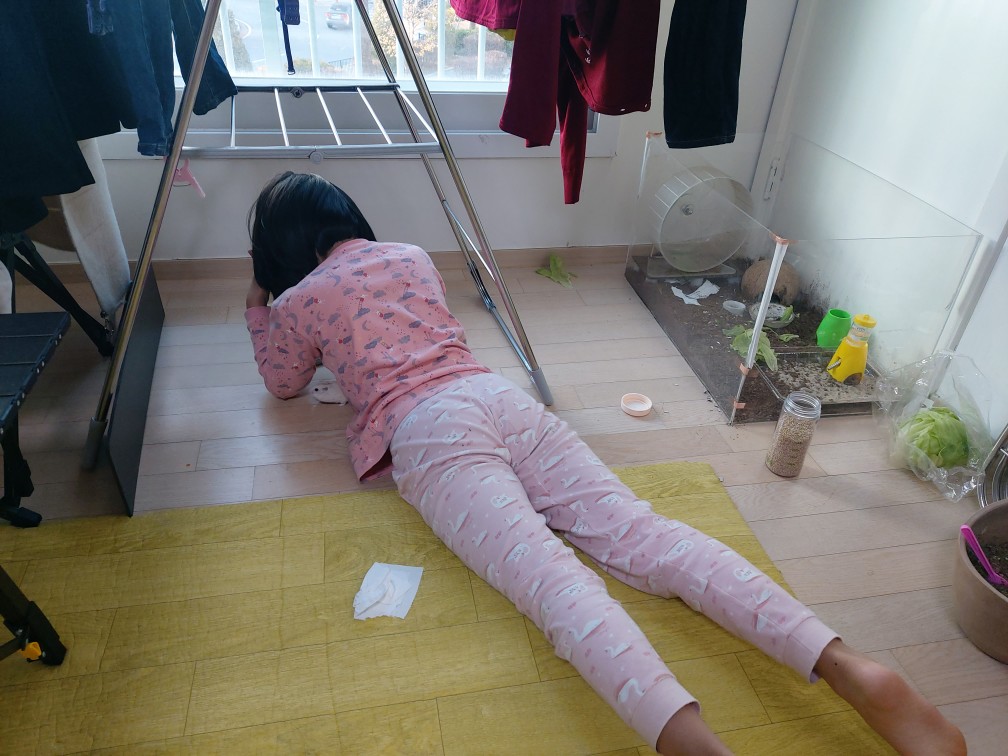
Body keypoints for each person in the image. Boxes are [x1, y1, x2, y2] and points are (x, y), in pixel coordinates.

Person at [244, 171, 966, 756]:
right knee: (645, 533)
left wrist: (258, 302)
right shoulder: (408, 256)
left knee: (551, 581)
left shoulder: (301, 298)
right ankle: (844, 663)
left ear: (284, 253)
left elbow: (282, 381)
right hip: (500, 398)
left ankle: (694, 745)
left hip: (431, 430)